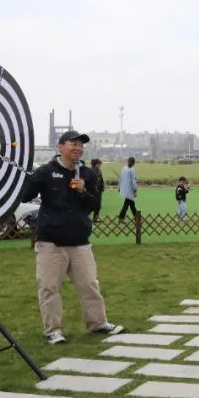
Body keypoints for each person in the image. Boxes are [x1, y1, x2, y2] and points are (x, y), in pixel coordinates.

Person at [20, 131, 124, 344]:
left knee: (90, 285)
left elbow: (95, 205)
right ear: (60, 147)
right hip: (51, 243)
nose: (78, 148)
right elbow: (25, 195)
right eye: (73, 144)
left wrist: (83, 191)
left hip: (80, 242)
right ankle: (53, 330)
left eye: (81, 145)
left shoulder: (88, 174)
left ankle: (98, 323)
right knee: (49, 288)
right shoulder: (46, 172)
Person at [117, 156, 139, 221]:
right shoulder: (132, 169)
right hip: (130, 190)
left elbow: (120, 179)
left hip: (124, 189)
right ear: (134, 163)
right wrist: (135, 190)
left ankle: (122, 217)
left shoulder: (123, 168)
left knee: (129, 204)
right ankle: (136, 219)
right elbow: (133, 181)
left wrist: (119, 187)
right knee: (130, 204)